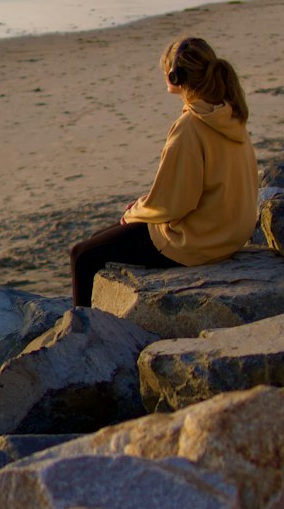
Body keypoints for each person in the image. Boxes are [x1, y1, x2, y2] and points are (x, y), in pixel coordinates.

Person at [70, 35, 259, 308]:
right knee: (102, 238)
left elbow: (174, 204)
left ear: (174, 76)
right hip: (230, 232)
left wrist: (133, 212)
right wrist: (140, 210)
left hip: (198, 241)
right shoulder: (229, 113)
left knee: (83, 255)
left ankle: (81, 336)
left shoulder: (190, 127)